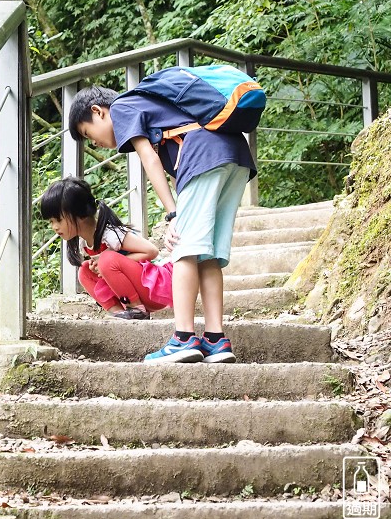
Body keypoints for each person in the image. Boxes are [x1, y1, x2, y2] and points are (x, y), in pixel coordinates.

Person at [68, 85, 257, 363]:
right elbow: (172, 165)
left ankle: (183, 338)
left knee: (184, 249)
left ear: (98, 111)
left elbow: (150, 159)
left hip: (203, 155)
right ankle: (216, 340)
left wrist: (173, 214)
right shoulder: (153, 111)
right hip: (234, 155)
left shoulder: (122, 108)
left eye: (88, 133)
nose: (94, 142)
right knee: (208, 255)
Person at [40, 177, 173, 320]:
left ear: (80, 214)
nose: (54, 227)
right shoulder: (84, 243)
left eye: (58, 220)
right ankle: (118, 312)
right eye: (51, 222)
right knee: (84, 271)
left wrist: (111, 261)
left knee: (106, 260)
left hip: (158, 287)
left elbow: (152, 251)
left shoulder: (110, 234)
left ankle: (136, 309)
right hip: (139, 291)